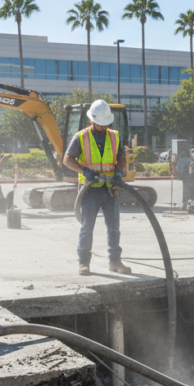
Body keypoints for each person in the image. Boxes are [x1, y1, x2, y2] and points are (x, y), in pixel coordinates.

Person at [62, 99, 131, 276]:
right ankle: (83, 262)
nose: (103, 127)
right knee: (87, 227)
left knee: (114, 228)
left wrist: (119, 172)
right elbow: (67, 160)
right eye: (100, 124)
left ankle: (115, 262)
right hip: (90, 190)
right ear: (91, 120)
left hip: (110, 189)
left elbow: (122, 156)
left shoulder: (114, 135)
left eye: (105, 124)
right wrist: (84, 171)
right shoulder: (81, 137)